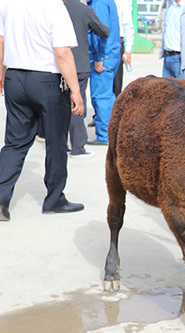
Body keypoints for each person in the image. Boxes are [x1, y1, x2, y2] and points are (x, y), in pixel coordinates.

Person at [0, 0, 85, 221]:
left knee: (15, 142)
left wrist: (2, 72)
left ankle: (0, 200)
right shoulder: (54, 7)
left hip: (15, 76)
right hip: (47, 79)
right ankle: (54, 199)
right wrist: (75, 90)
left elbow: (1, 41)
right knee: (56, 141)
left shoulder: (9, 4)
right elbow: (63, 52)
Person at [65, 0, 110, 158]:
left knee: (58, 104)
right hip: (79, 64)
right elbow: (104, 31)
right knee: (77, 104)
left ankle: (59, 145)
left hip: (56, 65)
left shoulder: (55, 8)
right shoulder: (85, 10)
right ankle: (77, 147)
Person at [87, 0, 121, 145]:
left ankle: (104, 135)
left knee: (101, 96)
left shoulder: (99, 3)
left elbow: (101, 31)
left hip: (104, 55)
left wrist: (99, 57)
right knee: (108, 95)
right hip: (111, 53)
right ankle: (113, 132)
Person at [113, 0, 134, 97]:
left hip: (117, 42)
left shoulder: (122, 2)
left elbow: (128, 26)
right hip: (103, 41)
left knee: (116, 81)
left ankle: (115, 107)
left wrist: (128, 50)